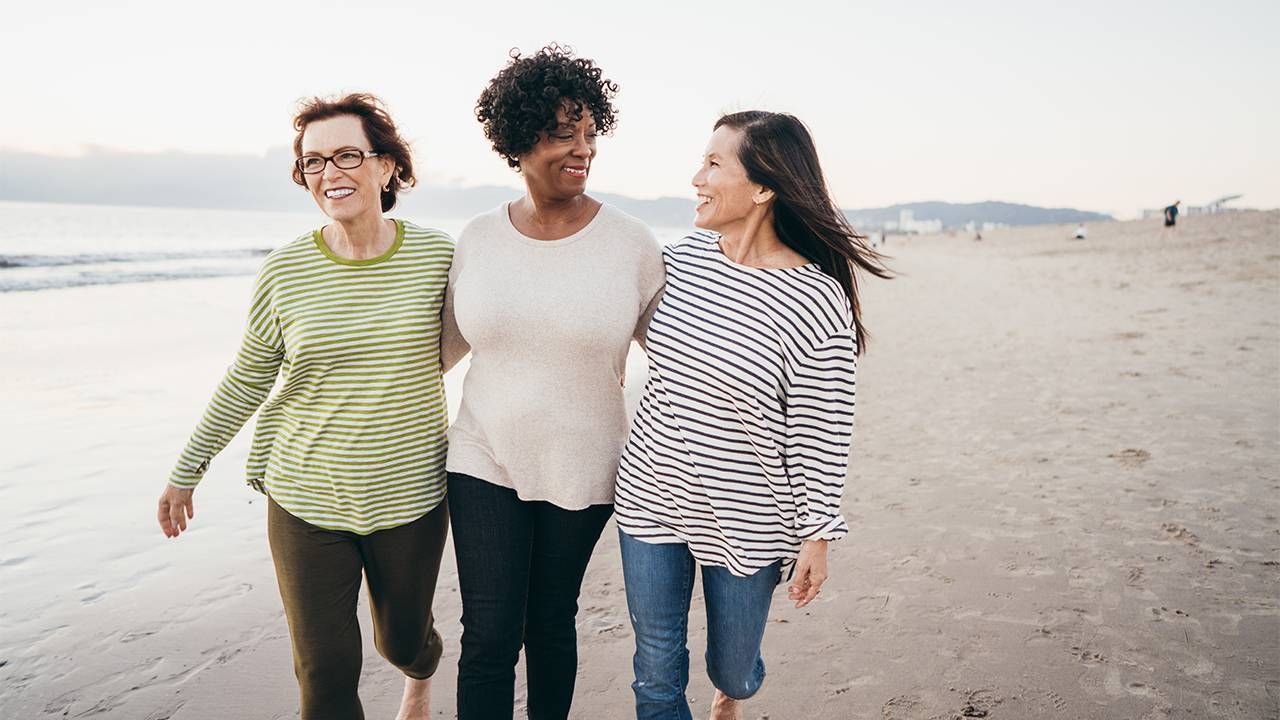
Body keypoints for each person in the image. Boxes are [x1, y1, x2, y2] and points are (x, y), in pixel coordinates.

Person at [157, 93, 453, 720]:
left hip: (410, 497)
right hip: (304, 496)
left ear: (387, 168)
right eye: (313, 162)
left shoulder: (441, 258)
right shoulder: (285, 271)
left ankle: (420, 674)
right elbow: (247, 378)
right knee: (324, 674)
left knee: (403, 639)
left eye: (347, 154)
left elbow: (491, 334)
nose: (329, 173)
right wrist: (188, 469)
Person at [614, 111, 890, 720]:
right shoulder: (678, 261)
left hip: (750, 515)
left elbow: (822, 430)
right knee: (656, 674)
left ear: (764, 187)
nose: (696, 178)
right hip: (650, 496)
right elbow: (605, 322)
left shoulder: (815, 297)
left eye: (714, 164)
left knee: (733, 668)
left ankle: (733, 693)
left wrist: (819, 533)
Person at [441, 44, 665, 720]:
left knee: (548, 621)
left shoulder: (631, 244)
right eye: (563, 132)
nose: (582, 149)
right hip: (482, 456)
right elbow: (436, 352)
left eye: (590, 132)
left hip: (586, 464)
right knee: (487, 633)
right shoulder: (477, 239)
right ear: (517, 140)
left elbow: (681, 361)